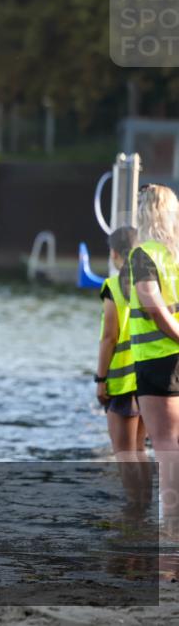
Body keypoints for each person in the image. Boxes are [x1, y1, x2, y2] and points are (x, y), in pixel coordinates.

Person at [127, 184, 179, 549]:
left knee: (165, 443)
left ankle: (171, 526)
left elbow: (153, 305)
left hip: (158, 359)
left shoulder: (143, 254)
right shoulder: (175, 256)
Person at [96, 226, 147, 456]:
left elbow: (109, 338)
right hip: (149, 377)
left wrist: (100, 379)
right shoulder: (152, 285)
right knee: (140, 450)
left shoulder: (114, 287)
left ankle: (134, 488)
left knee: (124, 454)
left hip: (122, 382)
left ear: (113, 253)